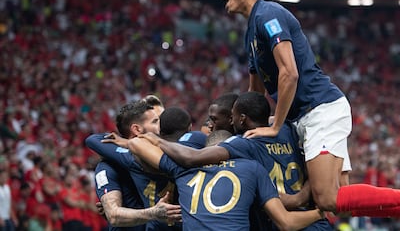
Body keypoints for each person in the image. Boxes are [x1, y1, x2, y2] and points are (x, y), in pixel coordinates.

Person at [218, 0, 400, 217]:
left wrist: (276, 125)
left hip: (319, 109)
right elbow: (254, 95)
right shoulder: (250, 32)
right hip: (310, 114)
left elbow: (289, 73)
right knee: (341, 197)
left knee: (327, 198)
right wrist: (240, 121)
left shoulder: (268, 14)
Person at [106, 92, 330, 230]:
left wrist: (145, 141)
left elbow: (189, 157)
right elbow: (286, 218)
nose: (210, 124)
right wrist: (312, 198)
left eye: (216, 119)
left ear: (239, 120)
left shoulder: (187, 166)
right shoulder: (283, 133)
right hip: (304, 218)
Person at [86, 100, 181, 231]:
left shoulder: (168, 156)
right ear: (137, 129)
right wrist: (153, 213)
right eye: (155, 121)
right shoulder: (109, 166)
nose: (161, 126)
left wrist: (127, 143)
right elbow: (113, 215)